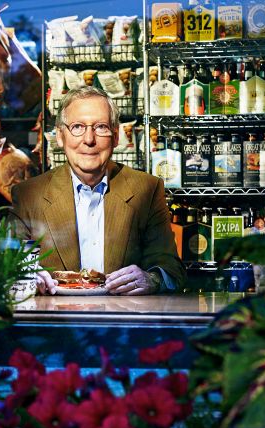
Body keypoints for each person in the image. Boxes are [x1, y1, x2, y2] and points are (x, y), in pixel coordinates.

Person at [10, 86, 186, 295]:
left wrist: (151, 279)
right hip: (56, 322)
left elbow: (171, 271)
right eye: (77, 127)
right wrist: (27, 276)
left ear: (116, 135)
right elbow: (7, 267)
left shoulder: (146, 189)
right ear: (60, 136)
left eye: (101, 127)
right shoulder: (29, 195)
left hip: (122, 321)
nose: (89, 139)